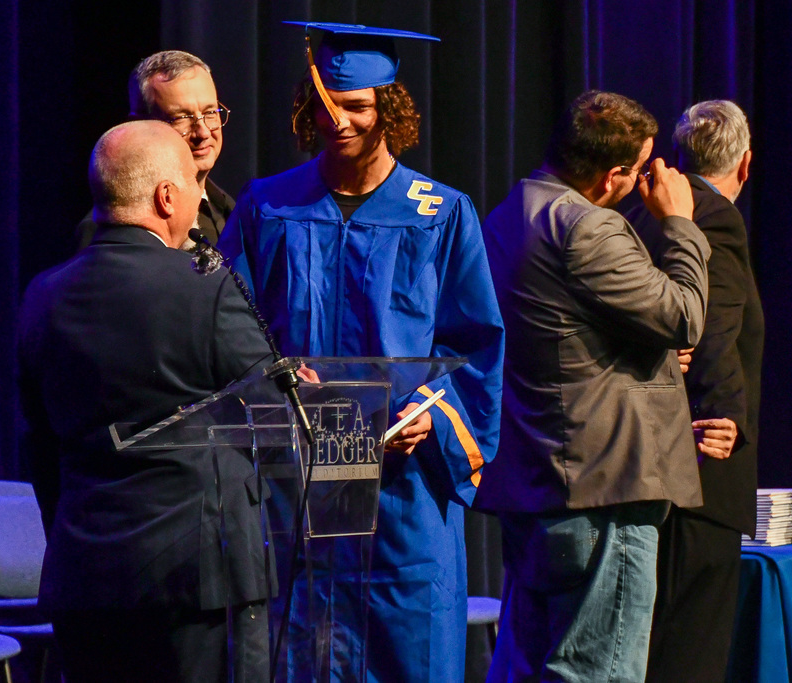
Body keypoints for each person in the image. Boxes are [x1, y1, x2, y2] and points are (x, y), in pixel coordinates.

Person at [217, 22, 504, 683]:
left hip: (404, 492)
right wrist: (277, 381)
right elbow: (228, 329)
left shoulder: (441, 213)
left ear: (389, 110)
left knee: (408, 649)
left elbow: (474, 343)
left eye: (357, 105)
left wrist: (431, 413)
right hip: (299, 485)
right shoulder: (269, 206)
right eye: (325, 103)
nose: (338, 120)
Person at [18, 120, 275, 682]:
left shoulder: (42, 296)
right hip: (199, 584)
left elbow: (38, 443)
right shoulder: (205, 285)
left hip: (86, 577)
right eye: (191, 188)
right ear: (166, 196)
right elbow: (274, 414)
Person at [475, 90, 710, 682]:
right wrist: (679, 222)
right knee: (598, 671)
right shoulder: (588, 225)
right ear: (614, 176)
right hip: (603, 492)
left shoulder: (507, 214)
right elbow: (683, 315)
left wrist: (646, 356)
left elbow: (566, 338)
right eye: (640, 169)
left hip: (542, 485)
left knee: (532, 667)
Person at [626, 99, 765, 682]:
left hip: (639, 462)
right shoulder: (716, 218)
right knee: (689, 656)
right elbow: (714, 326)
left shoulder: (634, 212)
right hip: (700, 473)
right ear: (746, 165)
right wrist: (725, 414)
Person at [75, 50, 233, 250]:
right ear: (140, 125)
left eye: (209, 112)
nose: (202, 132)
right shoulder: (106, 232)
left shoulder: (230, 210)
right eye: (182, 118)